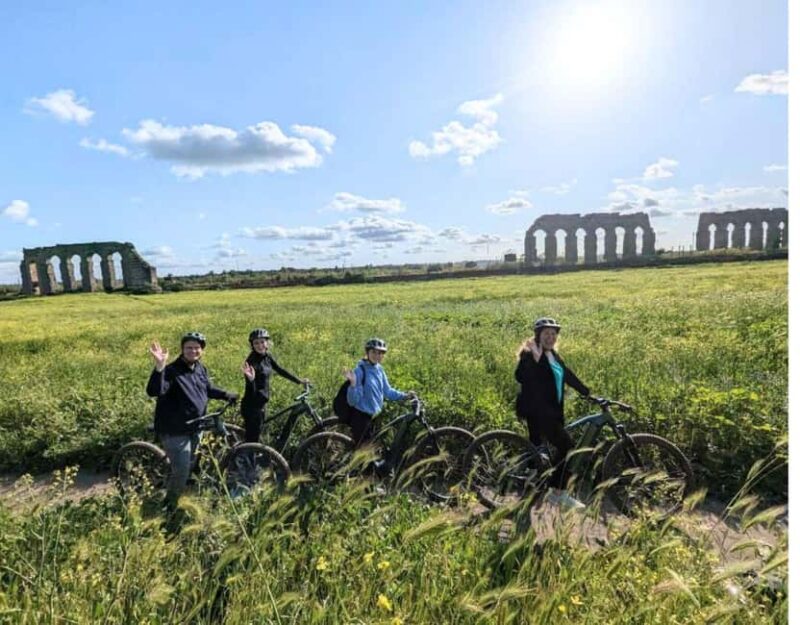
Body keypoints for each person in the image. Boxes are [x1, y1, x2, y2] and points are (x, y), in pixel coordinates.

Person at [147, 331, 238, 504]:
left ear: (202, 350)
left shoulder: (200, 368)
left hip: (196, 426)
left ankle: (182, 487)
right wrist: (159, 367)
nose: (193, 351)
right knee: (182, 471)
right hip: (175, 429)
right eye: (189, 348)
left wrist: (226, 394)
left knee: (191, 462)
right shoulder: (171, 371)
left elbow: (208, 388)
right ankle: (170, 505)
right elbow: (154, 391)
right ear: (182, 349)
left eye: (197, 348)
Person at [514, 317, 590, 510]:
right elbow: (520, 376)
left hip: (552, 411)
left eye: (553, 334)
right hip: (537, 411)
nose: (551, 337)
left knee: (537, 451)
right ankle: (558, 493)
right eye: (546, 333)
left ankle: (530, 490)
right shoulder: (530, 353)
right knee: (567, 446)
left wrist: (587, 392)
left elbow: (567, 374)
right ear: (538, 335)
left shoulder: (553, 355)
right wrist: (536, 358)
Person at [240, 328, 310, 443]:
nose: (260, 345)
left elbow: (280, 370)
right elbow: (250, 391)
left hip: (261, 404)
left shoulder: (267, 356)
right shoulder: (251, 362)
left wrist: (299, 381)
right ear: (252, 345)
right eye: (256, 343)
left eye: (262, 342)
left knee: (256, 437)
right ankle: (242, 454)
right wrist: (251, 380)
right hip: (252, 407)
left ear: (267, 343)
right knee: (252, 442)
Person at [343, 338, 416, 447]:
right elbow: (352, 401)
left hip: (375, 417)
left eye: (380, 353)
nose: (377, 355)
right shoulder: (360, 371)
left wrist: (405, 396)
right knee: (364, 452)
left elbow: (388, 391)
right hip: (361, 418)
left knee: (373, 450)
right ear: (367, 352)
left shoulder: (379, 369)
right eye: (373, 352)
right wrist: (353, 385)